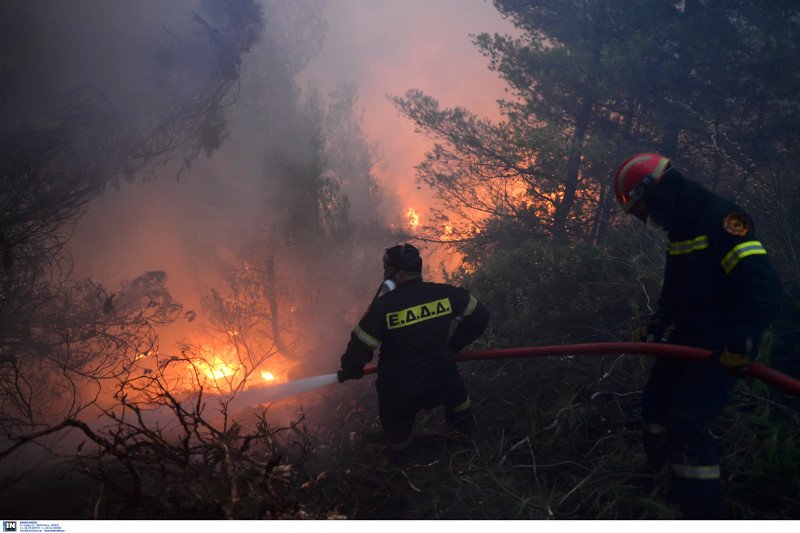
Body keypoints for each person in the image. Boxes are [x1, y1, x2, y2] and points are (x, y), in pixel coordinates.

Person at [614, 153, 783, 519]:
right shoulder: (681, 230)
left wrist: (745, 338)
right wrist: (658, 323)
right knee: (654, 408)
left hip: (724, 345)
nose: (648, 220)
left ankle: (703, 513)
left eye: (644, 211)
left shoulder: (725, 219)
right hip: (689, 338)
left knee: (688, 425)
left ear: (658, 193)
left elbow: (764, 285)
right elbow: (675, 292)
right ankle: (666, 483)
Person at [336, 243, 490, 464]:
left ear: (396, 274)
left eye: (385, 268)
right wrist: (453, 346)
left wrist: (351, 369)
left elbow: (360, 346)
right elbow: (480, 315)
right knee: (460, 404)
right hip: (442, 380)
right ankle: (468, 455)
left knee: (398, 436)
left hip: (400, 391)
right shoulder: (444, 293)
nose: (384, 273)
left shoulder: (382, 308)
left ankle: (403, 472)